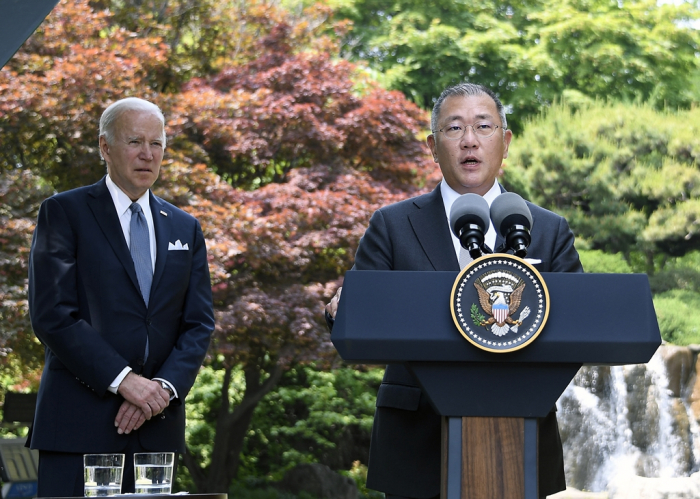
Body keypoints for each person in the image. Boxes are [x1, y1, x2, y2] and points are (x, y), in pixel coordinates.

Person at [325, 83, 583, 499]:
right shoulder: (392, 225)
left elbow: (579, 327)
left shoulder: (548, 230)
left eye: (484, 126)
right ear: (432, 145)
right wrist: (342, 312)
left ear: (506, 141)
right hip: (416, 439)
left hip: (521, 441)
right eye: (454, 128)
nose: (470, 141)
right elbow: (360, 320)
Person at [27, 97, 215, 496]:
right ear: (104, 147)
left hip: (156, 432)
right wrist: (125, 381)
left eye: (157, 143)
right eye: (134, 142)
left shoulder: (185, 227)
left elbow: (199, 324)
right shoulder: (64, 213)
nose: (148, 154)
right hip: (77, 429)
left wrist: (161, 389)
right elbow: (53, 315)